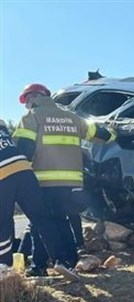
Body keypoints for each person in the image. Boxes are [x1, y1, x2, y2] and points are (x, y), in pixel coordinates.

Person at [12, 83, 116, 277]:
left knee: (39, 223)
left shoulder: (32, 117)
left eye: (26, 100)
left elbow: (23, 150)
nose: (26, 105)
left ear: (34, 97)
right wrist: (115, 129)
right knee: (61, 219)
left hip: (43, 181)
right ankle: (69, 261)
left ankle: (39, 267)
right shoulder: (72, 118)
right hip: (71, 183)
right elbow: (105, 136)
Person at [0, 118, 79, 281]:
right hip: (25, 171)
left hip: (2, 175)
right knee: (42, 218)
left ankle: (4, 268)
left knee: (3, 223)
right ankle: (61, 260)